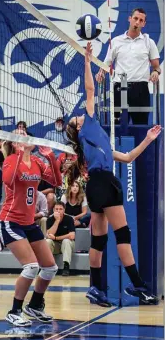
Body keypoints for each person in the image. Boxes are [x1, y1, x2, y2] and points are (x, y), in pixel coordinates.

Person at [67, 42, 161, 306]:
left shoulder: (100, 144)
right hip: (104, 184)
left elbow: (129, 157)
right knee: (123, 235)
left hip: (98, 185)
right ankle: (138, 286)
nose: (80, 116)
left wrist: (149, 140)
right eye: (76, 119)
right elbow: (89, 89)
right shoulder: (88, 128)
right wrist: (87, 62)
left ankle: (95, 288)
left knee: (99, 238)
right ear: (78, 128)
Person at [0, 132, 62, 326]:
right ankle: (14, 311)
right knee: (31, 266)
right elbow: (9, 180)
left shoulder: (36, 161)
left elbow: (57, 182)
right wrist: (19, 154)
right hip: (10, 221)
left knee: (50, 267)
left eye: (26, 134)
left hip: (28, 222)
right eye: (20, 136)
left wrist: (50, 157)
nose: (26, 137)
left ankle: (34, 306)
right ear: (15, 143)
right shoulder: (10, 160)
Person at [96, 8, 161, 125]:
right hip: (119, 89)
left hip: (140, 90)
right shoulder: (116, 41)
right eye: (135, 18)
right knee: (116, 129)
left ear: (144, 24)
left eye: (141, 20)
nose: (137, 22)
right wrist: (101, 73)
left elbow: (156, 67)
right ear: (129, 19)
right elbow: (106, 64)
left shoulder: (149, 42)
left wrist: (155, 72)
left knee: (140, 128)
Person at [46, 202, 75, 276]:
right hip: (55, 245)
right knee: (47, 241)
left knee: (66, 241)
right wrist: (57, 221)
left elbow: (72, 236)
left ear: (64, 210)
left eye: (60, 209)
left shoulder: (69, 219)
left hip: (67, 245)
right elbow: (49, 235)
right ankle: (48, 266)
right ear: (53, 210)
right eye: (56, 209)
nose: (58, 211)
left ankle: (66, 266)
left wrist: (56, 237)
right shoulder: (50, 219)